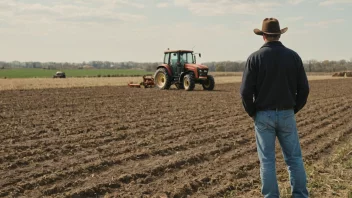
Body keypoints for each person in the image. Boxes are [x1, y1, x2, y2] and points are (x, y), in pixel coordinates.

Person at [240, 18, 310, 198]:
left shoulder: (254, 58)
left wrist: (254, 113)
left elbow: (245, 92)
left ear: (263, 36)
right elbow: (304, 89)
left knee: (267, 162)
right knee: (294, 159)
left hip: (263, 115)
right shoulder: (293, 56)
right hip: (287, 113)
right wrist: (292, 109)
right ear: (279, 35)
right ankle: (300, 195)